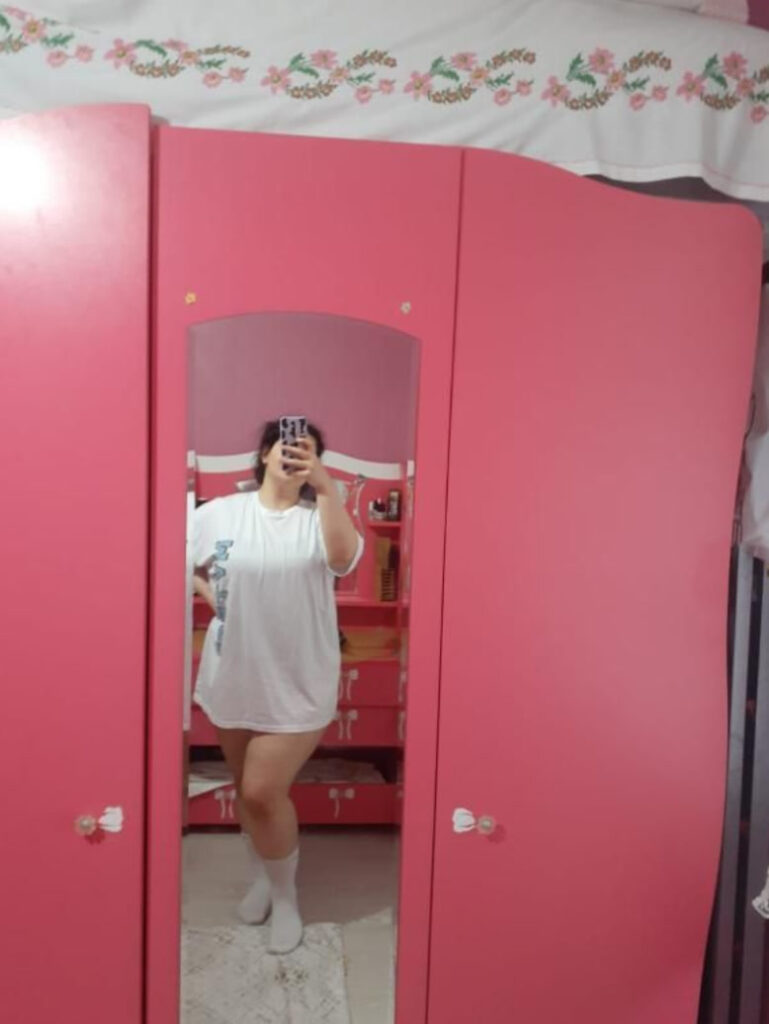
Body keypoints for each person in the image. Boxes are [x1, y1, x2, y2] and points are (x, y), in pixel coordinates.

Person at [191, 420, 363, 953]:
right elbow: (171, 558)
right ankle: (264, 878)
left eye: (306, 451)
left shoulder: (320, 517)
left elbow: (343, 560)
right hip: (233, 673)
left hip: (298, 676)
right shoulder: (220, 513)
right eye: (284, 446)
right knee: (246, 787)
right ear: (264, 453)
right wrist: (210, 594)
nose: (292, 456)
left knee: (262, 791)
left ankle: (286, 899)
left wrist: (328, 488)